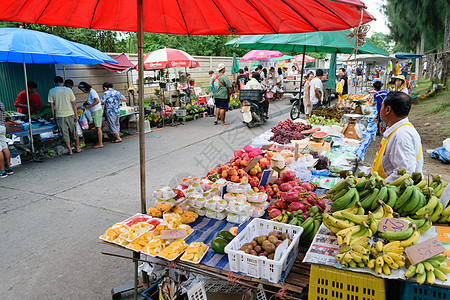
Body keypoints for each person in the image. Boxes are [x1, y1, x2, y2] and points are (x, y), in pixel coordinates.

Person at [371, 91, 423, 182]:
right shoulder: (396, 129)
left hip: (389, 191)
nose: (380, 109)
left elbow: (405, 173)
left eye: (382, 106)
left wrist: (380, 186)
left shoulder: (402, 136)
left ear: (388, 110)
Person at [48, 76, 81, 155]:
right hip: (70, 114)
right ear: (63, 83)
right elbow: (74, 104)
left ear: (54, 83)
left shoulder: (51, 91)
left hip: (60, 116)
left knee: (64, 133)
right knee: (74, 132)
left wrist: (53, 116)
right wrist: (76, 115)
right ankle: (78, 148)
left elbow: (52, 106)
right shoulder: (68, 90)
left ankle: (70, 150)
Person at [78, 82, 103, 148]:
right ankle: (99, 142)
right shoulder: (91, 92)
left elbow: (97, 101)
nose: (82, 91)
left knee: (98, 127)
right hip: (95, 111)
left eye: (82, 89)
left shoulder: (92, 92)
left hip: (96, 111)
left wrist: (89, 106)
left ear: (85, 87)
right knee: (97, 127)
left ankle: (100, 143)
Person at [0, 100, 13, 178]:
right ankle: (9, 168)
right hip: (2, 127)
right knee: (5, 147)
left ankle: (2, 171)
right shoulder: (1, 103)